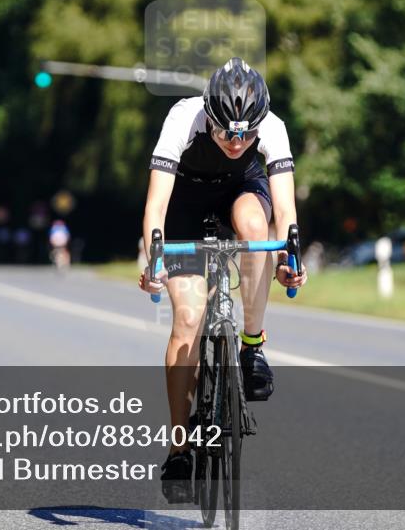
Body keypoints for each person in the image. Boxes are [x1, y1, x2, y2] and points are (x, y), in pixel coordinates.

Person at [137, 57, 307, 503]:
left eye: (246, 134)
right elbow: (156, 205)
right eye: (226, 132)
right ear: (208, 116)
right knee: (187, 320)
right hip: (186, 202)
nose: (236, 142)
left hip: (241, 191)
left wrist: (289, 257)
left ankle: (252, 346)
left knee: (254, 227)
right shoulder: (182, 118)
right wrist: (155, 261)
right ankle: (179, 448)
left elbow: (285, 210)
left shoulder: (273, 127)